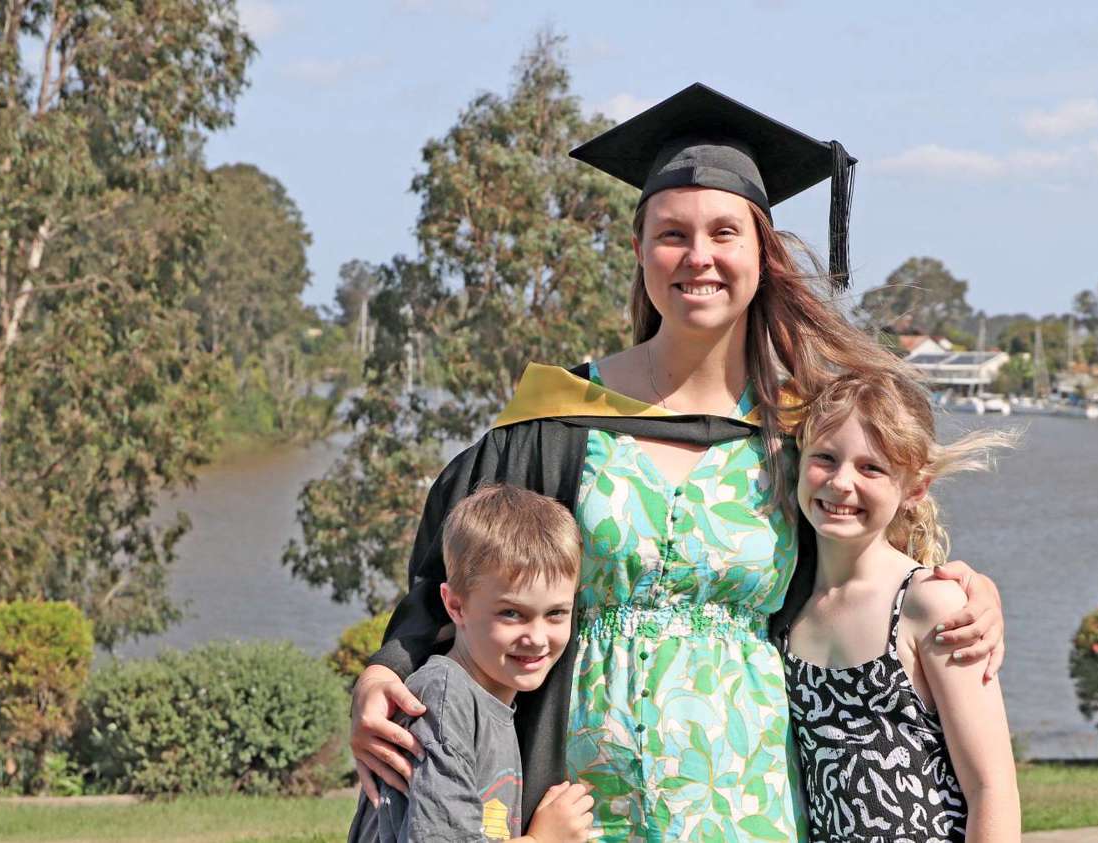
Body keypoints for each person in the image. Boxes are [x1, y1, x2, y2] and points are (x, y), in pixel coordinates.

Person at [350, 83, 1009, 841]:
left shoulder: (801, 433)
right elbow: (451, 580)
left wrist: (966, 589)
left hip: (752, 803)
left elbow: (873, 566)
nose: (699, 257)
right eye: (672, 234)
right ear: (638, 251)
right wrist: (382, 672)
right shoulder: (557, 422)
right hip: (579, 803)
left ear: (760, 252)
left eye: (725, 232)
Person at [782, 372, 1019, 842]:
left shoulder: (927, 604)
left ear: (915, 488)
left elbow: (992, 788)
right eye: (825, 458)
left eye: (872, 468)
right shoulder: (785, 602)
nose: (841, 482)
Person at [348, 484, 594, 843]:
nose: (538, 638)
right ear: (456, 606)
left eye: (556, 613)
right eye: (512, 613)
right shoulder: (446, 700)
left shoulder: (485, 698)